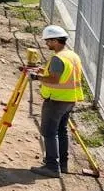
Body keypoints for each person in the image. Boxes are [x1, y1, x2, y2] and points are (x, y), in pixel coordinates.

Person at [33, 25, 84, 177]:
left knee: (49, 132)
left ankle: (52, 167)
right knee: (61, 130)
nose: (46, 44)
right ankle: (63, 164)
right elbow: (63, 75)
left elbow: (55, 80)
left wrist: (37, 77)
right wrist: (43, 72)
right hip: (69, 99)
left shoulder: (58, 58)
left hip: (56, 100)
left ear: (55, 41)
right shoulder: (72, 55)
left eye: (48, 41)